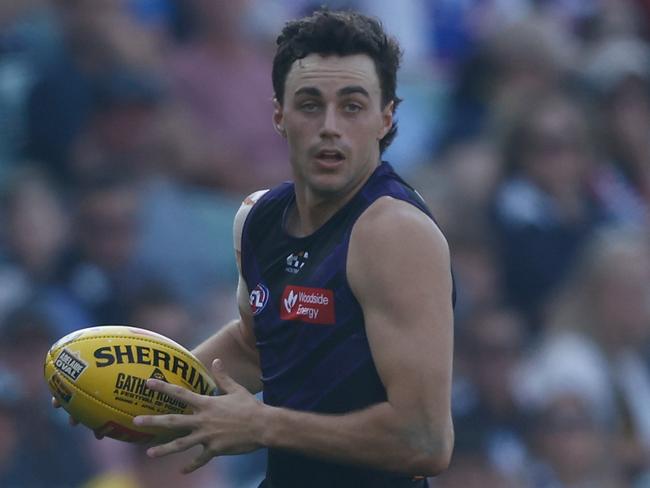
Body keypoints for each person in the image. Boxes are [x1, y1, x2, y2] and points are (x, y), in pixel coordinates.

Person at [57, 9, 455, 487]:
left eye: (352, 106)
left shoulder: (395, 232)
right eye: (310, 104)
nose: (330, 126)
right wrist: (133, 393)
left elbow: (425, 442)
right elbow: (254, 344)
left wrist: (264, 424)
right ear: (278, 114)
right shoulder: (258, 217)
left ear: (386, 117)